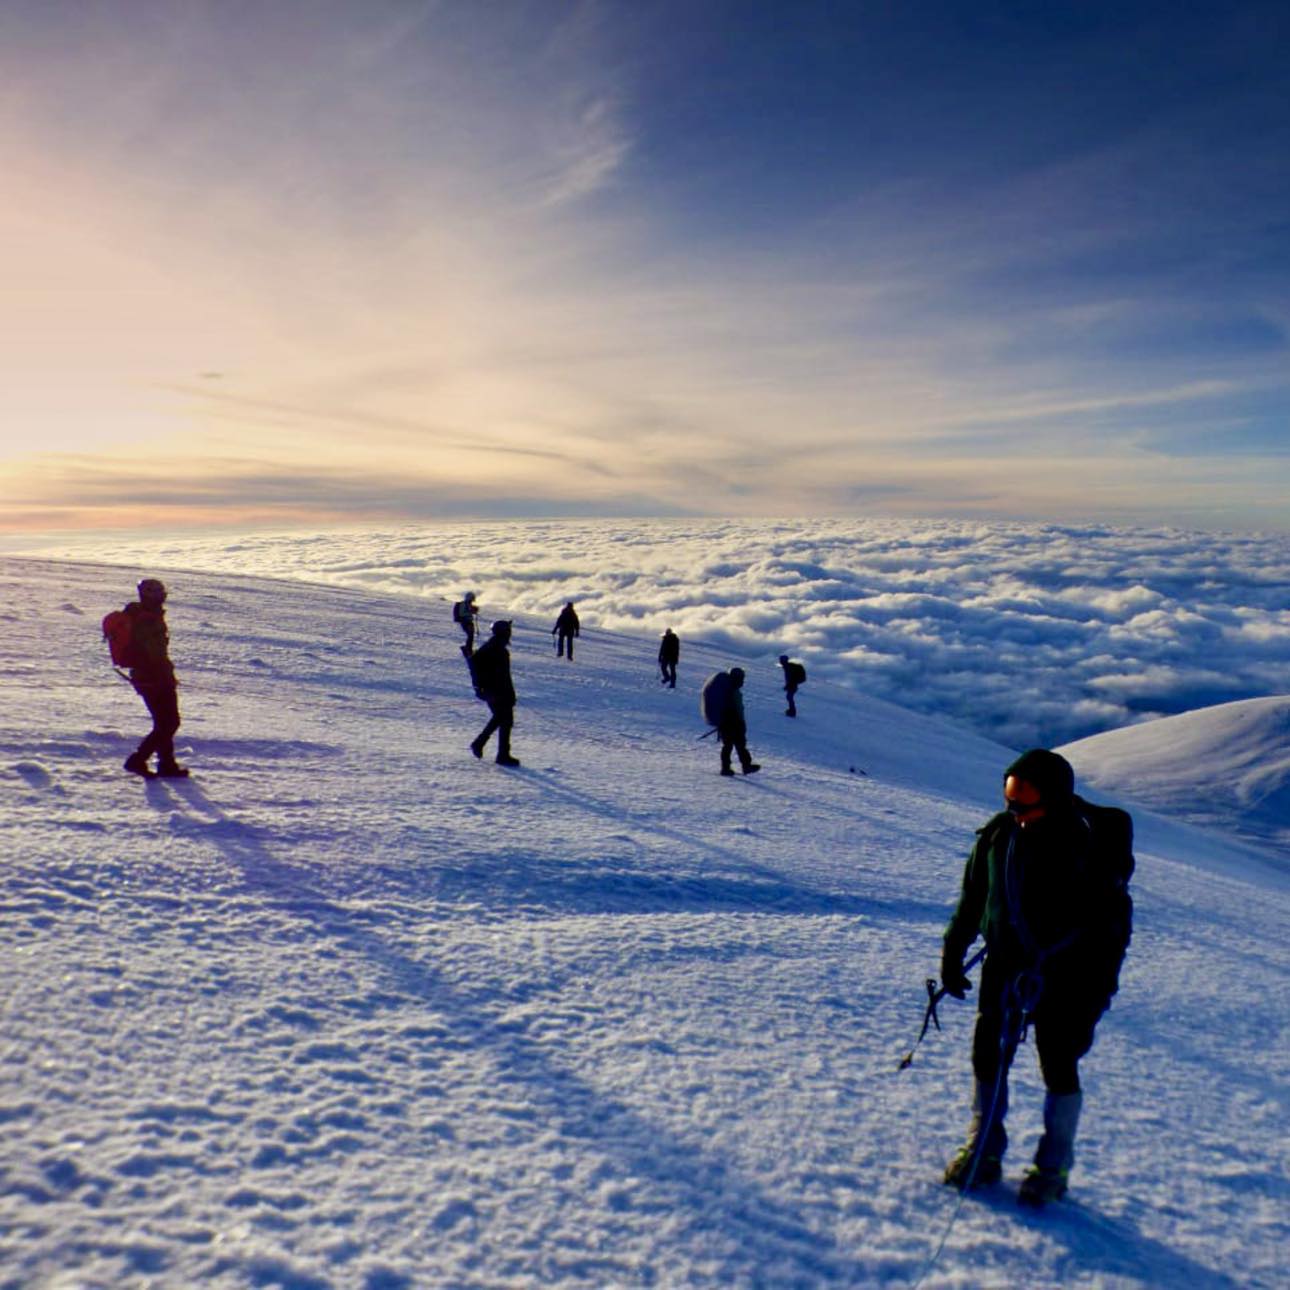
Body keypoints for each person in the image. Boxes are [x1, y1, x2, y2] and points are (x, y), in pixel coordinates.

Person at [939, 749, 1133, 1205]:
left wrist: (1097, 991)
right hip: (1004, 963)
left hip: (1072, 974)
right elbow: (973, 898)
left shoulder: (1088, 851)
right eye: (1010, 793)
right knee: (988, 1052)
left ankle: (1053, 1166)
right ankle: (984, 1147)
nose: (1015, 806)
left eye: (1025, 796)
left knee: (1057, 1060)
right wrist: (953, 951)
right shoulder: (998, 837)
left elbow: (1109, 931)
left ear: (1058, 797)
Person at [120, 578, 188, 779]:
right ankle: (138, 760)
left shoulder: (145, 616)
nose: (163, 597)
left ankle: (167, 765)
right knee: (169, 723)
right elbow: (154, 654)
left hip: (149, 676)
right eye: (159, 593)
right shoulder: (146, 620)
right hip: (153, 677)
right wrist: (164, 676)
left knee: (163, 723)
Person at [469, 620, 520, 767]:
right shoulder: (497, 649)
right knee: (503, 719)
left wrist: (480, 688)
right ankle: (487, 747)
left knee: (503, 719)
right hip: (497, 691)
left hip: (493, 690)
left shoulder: (493, 647)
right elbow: (503, 675)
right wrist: (510, 694)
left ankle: (496, 751)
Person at [716, 667, 760, 777]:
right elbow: (732, 709)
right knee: (734, 745)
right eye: (741, 678)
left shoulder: (730, 690)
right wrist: (738, 722)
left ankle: (742, 766)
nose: (743, 681)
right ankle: (734, 767)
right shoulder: (730, 691)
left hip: (729, 723)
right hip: (732, 724)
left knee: (733, 745)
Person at [452, 591, 479, 656]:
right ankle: (468, 649)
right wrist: (471, 612)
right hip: (465, 622)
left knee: (471, 636)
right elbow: (462, 613)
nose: (472, 601)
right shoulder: (463, 604)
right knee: (470, 635)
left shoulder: (468, 604)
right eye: (472, 599)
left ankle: (468, 648)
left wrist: (473, 611)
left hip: (469, 622)